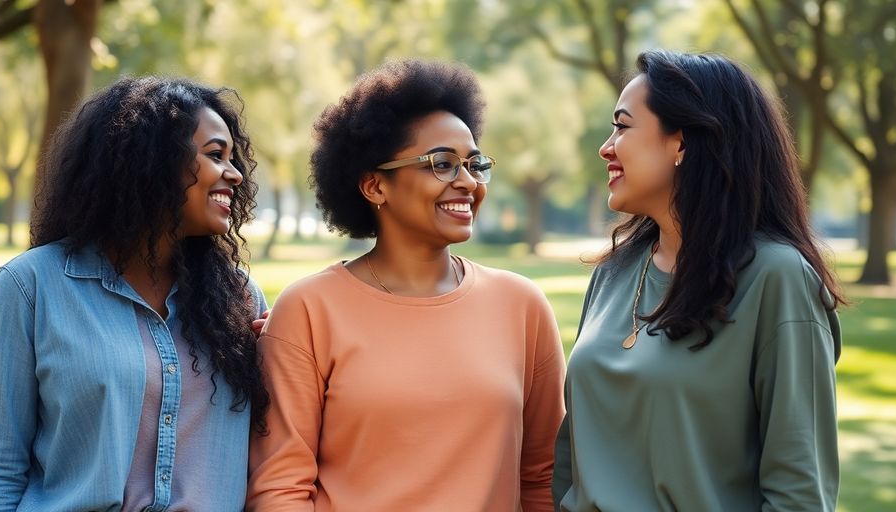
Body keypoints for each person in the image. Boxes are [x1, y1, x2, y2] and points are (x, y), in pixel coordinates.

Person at [246, 59, 565, 511]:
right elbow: (280, 490)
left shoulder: (522, 305)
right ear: (375, 186)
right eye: (442, 164)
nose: (468, 182)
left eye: (475, 164)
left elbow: (541, 477)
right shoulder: (309, 309)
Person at [0, 77, 268, 511]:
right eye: (216, 155)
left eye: (233, 159)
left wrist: (286, 352)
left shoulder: (242, 300)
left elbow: (273, 459)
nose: (234, 175)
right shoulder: (31, 288)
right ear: (153, 160)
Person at [553, 49, 845, 511]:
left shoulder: (777, 279)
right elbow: (572, 456)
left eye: (623, 126)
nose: (606, 147)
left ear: (682, 142)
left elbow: (799, 493)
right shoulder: (612, 274)